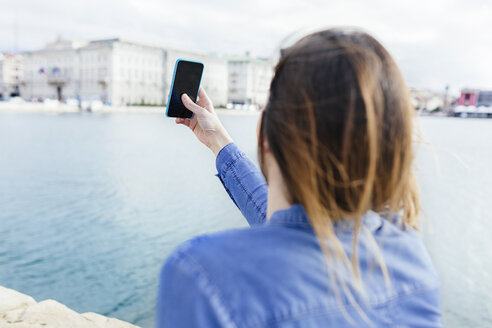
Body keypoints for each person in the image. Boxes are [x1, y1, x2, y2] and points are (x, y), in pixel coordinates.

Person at [156, 29, 441, 327]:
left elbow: (284, 230)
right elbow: (283, 220)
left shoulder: (201, 274)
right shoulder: (410, 257)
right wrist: (217, 140)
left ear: (266, 133)